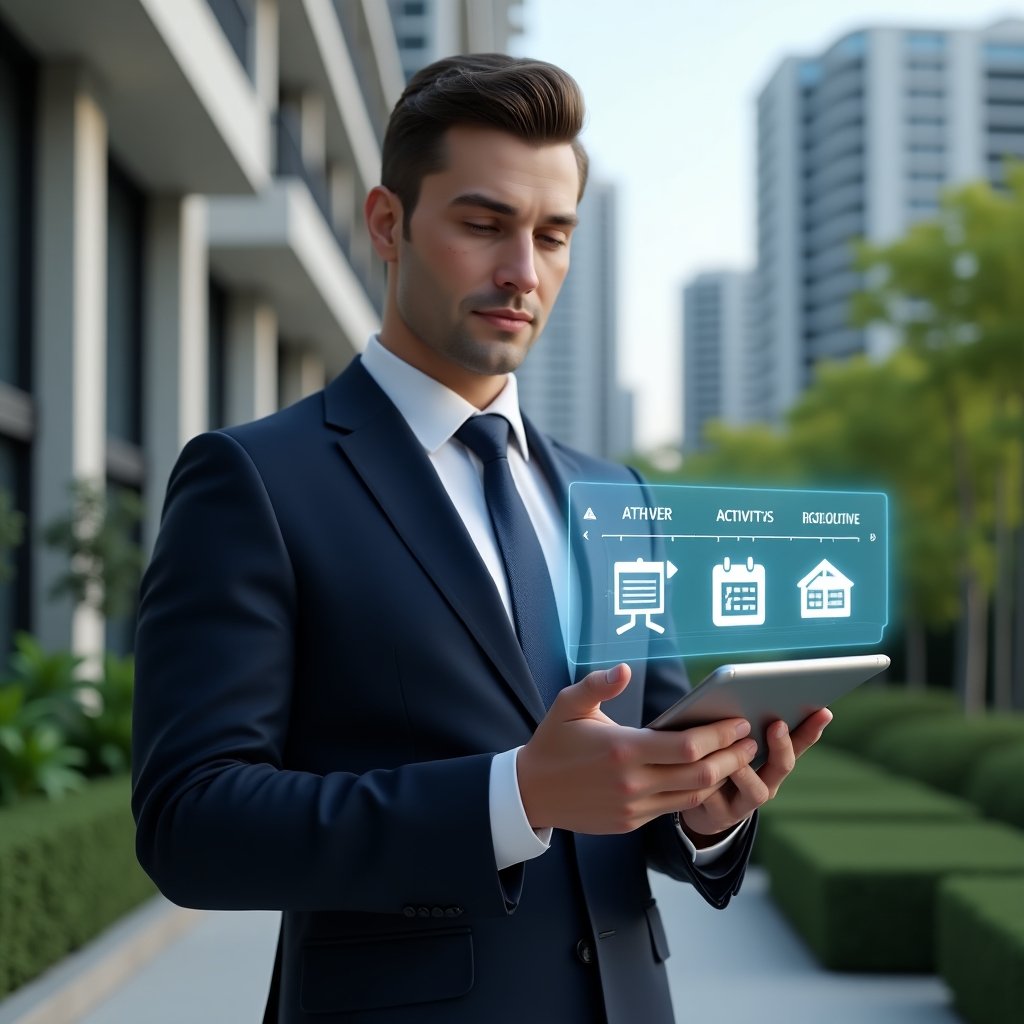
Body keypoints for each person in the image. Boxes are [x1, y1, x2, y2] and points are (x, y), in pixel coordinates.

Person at [131, 53, 830, 1024]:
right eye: (482, 223)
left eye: (552, 235)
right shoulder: (255, 481)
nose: (522, 272)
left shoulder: (612, 493)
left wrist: (706, 811)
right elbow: (190, 823)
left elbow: (642, 762)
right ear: (387, 223)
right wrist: (514, 794)